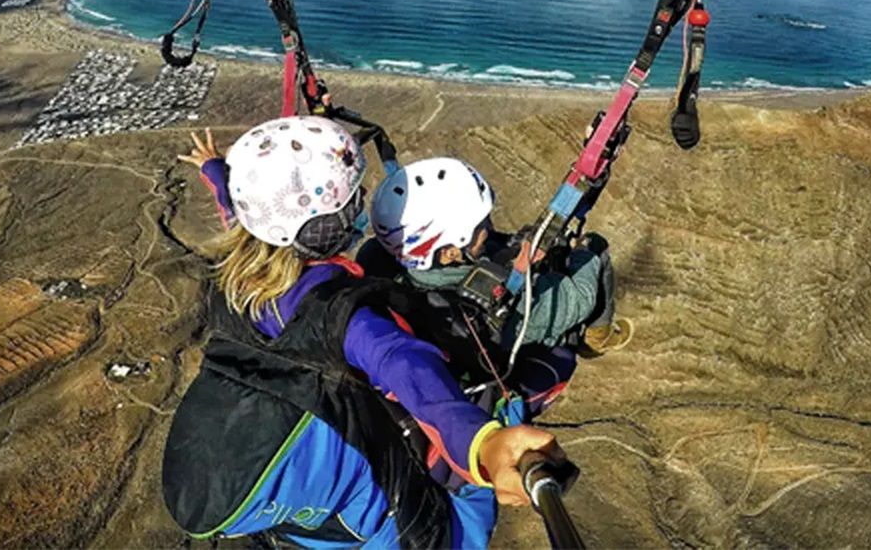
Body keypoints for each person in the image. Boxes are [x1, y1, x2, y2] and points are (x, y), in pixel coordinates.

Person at [162, 117, 567, 549]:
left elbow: (242, 217)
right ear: (332, 228)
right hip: (363, 499)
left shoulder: (238, 279)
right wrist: (481, 445)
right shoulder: (343, 317)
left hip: (270, 482)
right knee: (453, 509)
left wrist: (216, 174)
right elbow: (404, 364)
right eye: (354, 202)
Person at [364, 157, 633, 358]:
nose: (490, 227)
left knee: (519, 240)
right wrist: (583, 254)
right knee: (595, 246)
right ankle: (597, 337)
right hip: (524, 338)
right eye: (480, 227)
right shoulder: (494, 303)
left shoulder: (387, 262)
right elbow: (579, 298)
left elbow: (492, 245)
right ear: (449, 252)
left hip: (450, 294)